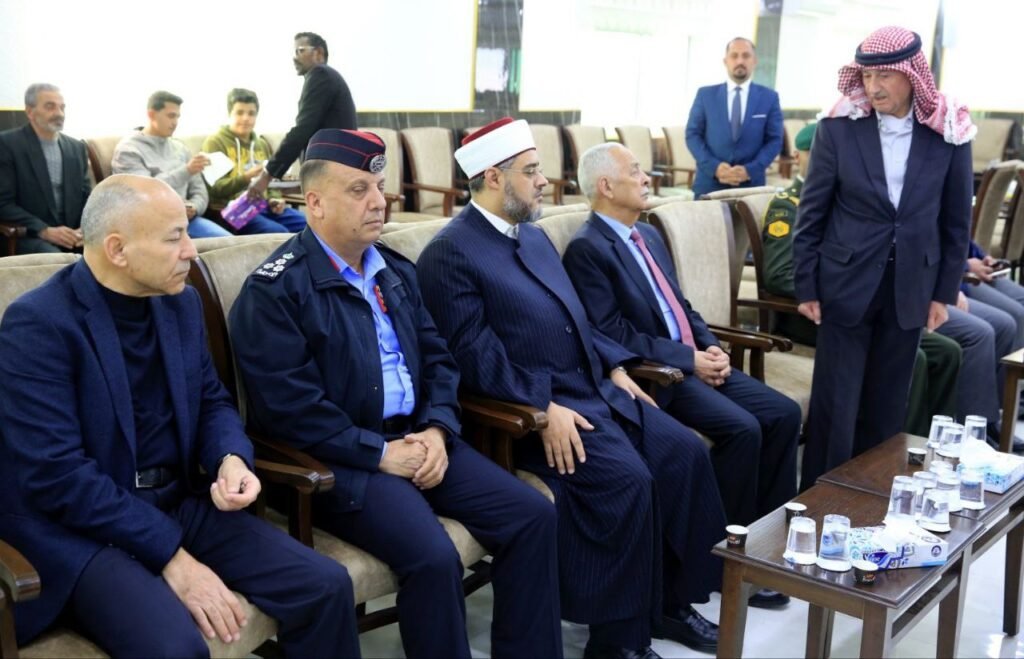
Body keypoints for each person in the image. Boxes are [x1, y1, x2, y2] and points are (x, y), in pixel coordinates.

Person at [229, 129, 562, 659]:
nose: (378, 202)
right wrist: (380, 454)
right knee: (433, 556)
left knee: (532, 516)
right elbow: (290, 410)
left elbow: (441, 362)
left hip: (420, 438)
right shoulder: (275, 292)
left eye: (379, 188)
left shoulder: (394, 272)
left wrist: (437, 429)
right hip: (343, 461)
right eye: (358, 190)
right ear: (314, 202)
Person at [0, 174, 359, 658]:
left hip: (176, 498)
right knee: (174, 648)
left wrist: (230, 458)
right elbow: (58, 476)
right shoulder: (39, 324)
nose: (191, 250)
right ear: (117, 249)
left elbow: (211, 399)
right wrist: (173, 557)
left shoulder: (181, 303)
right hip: (84, 527)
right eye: (174, 238)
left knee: (325, 586)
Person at [418, 117, 727, 658]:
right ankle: (616, 642)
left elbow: (578, 320)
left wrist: (614, 366)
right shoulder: (451, 253)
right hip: (532, 414)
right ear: (494, 177)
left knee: (684, 454)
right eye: (531, 171)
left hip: (594, 390)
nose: (544, 181)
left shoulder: (533, 236)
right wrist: (543, 405)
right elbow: (475, 360)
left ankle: (670, 605)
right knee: (629, 481)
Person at [564, 143, 800, 575]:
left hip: (694, 359)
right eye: (635, 171)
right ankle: (728, 555)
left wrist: (711, 347)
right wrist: (689, 359)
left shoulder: (649, 234)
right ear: (606, 186)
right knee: (743, 429)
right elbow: (613, 334)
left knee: (784, 414)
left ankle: (770, 542)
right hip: (662, 374)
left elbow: (681, 306)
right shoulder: (588, 248)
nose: (646, 179)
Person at [792, 26, 974, 488]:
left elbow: (956, 223)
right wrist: (806, 285)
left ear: (912, 76)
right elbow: (812, 214)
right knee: (835, 409)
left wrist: (943, 292)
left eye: (885, 77)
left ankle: (872, 500)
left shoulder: (948, 131)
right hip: (843, 286)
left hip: (911, 288)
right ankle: (818, 503)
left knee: (887, 410)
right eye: (867, 76)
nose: (873, 87)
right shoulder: (838, 128)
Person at [761, 123, 962, 438]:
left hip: (875, 301)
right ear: (799, 156)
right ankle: (892, 449)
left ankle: (921, 444)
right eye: (815, 153)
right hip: (817, 313)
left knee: (945, 351)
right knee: (917, 359)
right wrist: (830, 290)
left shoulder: (855, 196)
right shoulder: (789, 205)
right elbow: (779, 274)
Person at [248, 32, 357, 199]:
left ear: (318, 53)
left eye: (300, 50)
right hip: (338, 170)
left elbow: (302, 130)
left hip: (331, 172)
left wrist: (266, 175)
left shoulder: (320, 74)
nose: (294, 57)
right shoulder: (329, 77)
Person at [111, 91, 230, 238]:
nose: (175, 122)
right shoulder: (128, 150)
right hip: (152, 225)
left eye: (178, 117)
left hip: (188, 220)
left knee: (233, 243)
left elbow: (199, 190)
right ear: (151, 115)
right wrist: (186, 171)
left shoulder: (180, 148)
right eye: (171, 116)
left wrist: (194, 207)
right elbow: (144, 194)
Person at [685, 37, 784, 198]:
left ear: (754, 61)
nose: (740, 61)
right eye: (734, 55)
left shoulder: (769, 97)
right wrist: (715, 167)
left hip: (751, 188)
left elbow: (775, 140)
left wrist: (750, 170)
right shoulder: (705, 95)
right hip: (709, 185)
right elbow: (692, 135)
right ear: (725, 61)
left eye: (746, 56)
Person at [201, 88, 307, 233]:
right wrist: (246, 177)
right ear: (229, 114)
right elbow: (215, 190)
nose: (246, 118)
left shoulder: (261, 144)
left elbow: (271, 183)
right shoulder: (215, 142)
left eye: (251, 113)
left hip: (264, 206)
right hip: (234, 210)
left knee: (309, 225)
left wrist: (274, 199)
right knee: (277, 232)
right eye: (239, 113)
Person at [0, 83, 89, 254]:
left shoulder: (76, 148)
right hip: (28, 235)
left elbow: (86, 196)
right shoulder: (7, 145)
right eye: (50, 106)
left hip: (72, 234)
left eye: (62, 107)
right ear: (30, 112)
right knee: (57, 260)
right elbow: (3, 204)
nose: (59, 113)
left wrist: (85, 228)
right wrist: (43, 230)